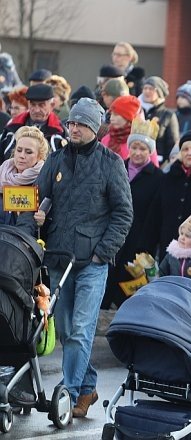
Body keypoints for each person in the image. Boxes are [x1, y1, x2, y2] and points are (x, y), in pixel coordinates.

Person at [16, 97, 133, 417]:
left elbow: (123, 214)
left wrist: (102, 253)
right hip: (57, 257)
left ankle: (66, 392)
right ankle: (88, 388)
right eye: (71, 123)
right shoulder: (55, 160)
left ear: (95, 128)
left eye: (81, 124)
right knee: (68, 331)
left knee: (81, 330)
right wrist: (37, 228)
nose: (74, 128)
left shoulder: (111, 164)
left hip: (91, 263)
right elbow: (38, 202)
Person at [102, 118, 163, 312]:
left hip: (139, 242)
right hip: (113, 237)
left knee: (130, 289)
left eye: (143, 149)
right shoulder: (117, 168)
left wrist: (146, 246)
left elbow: (154, 215)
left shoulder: (157, 178)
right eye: (134, 147)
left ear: (150, 151)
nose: (137, 153)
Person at [144, 129, 191, 256]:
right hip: (169, 245)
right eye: (185, 149)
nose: (189, 153)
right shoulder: (169, 178)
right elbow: (155, 215)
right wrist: (147, 247)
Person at [1, 83, 67, 163]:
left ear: (52, 105)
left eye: (41, 105)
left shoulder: (60, 133)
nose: (36, 110)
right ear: (28, 104)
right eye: (33, 104)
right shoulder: (12, 128)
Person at [0, 126, 49, 225]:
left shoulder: (46, 181)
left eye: (28, 152)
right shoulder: (2, 173)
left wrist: (45, 219)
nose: (22, 156)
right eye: (19, 150)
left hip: (27, 238)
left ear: (39, 156)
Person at [101, 94, 159, 166]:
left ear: (128, 117)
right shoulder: (106, 139)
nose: (111, 118)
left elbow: (153, 169)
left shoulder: (143, 140)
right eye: (111, 114)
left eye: (116, 115)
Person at [142, 76, 180, 164]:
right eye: (145, 88)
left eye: (151, 89)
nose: (147, 91)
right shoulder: (139, 111)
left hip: (159, 163)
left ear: (159, 92)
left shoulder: (168, 115)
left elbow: (173, 144)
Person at [159, 215, 191, 280]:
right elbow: (161, 273)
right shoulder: (171, 255)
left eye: (188, 236)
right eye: (181, 233)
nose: (182, 238)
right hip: (173, 288)